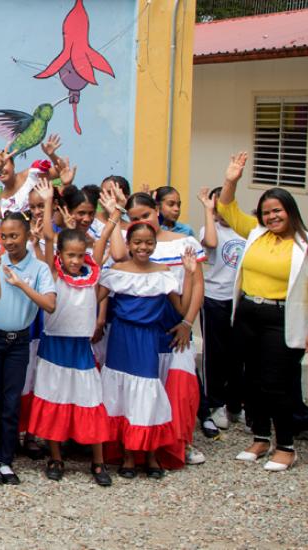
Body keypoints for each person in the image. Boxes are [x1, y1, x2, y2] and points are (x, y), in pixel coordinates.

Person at [218, 152, 308, 472]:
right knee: (250, 381)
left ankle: (285, 445)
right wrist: (231, 180)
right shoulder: (255, 233)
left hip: (282, 319)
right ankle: (259, 437)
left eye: (277, 211)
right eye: (266, 212)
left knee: (275, 383)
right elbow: (227, 209)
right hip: (248, 313)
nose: (271, 217)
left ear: (290, 211)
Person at [109, 192, 208, 468]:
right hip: (142, 330)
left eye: (146, 215)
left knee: (177, 389)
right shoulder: (133, 244)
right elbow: (115, 262)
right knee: (141, 389)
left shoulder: (185, 242)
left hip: (175, 326)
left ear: (157, 210)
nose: (142, 221)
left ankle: (178, 444)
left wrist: (188, 323)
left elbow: (197, 285)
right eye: (135, 219)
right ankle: (135, 447)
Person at [31, 217, 118, 485]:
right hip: (55, 346)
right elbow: (48, 239)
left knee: (89, 399)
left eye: (80, 255)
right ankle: (56, 457)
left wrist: (113, 220)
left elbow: (101, 246)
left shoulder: (92, 276)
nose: (76, 260)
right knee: (53, 398)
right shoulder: (52, 273)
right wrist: (47, 204)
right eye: (70, 255)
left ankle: (98, 460)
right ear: (60, 254)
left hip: (81, 348)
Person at [0, 212, 57, 485]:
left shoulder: (39, 269)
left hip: (18, 341)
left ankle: (5, 459)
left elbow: (49, 305)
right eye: (4, 236)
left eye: (14, 236)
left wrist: (21, 284)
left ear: (27, 236)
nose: (9, 241)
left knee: (11, 402)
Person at [195, 187, 247, 434]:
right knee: (215, 353)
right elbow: (212, 243)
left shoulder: (245, 229)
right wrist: (208, 210)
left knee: (238, 355)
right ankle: (215, 403)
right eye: (218, 206)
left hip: (239, 300)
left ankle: (236, 404)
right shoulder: (209, 228)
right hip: (214, 297)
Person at [0, 135, 63, 219]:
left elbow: (61, 171)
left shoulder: (32, 175)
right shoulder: (3, 204)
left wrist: (52, 155)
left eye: (3, 164)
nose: (0, 169)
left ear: (13, 164)